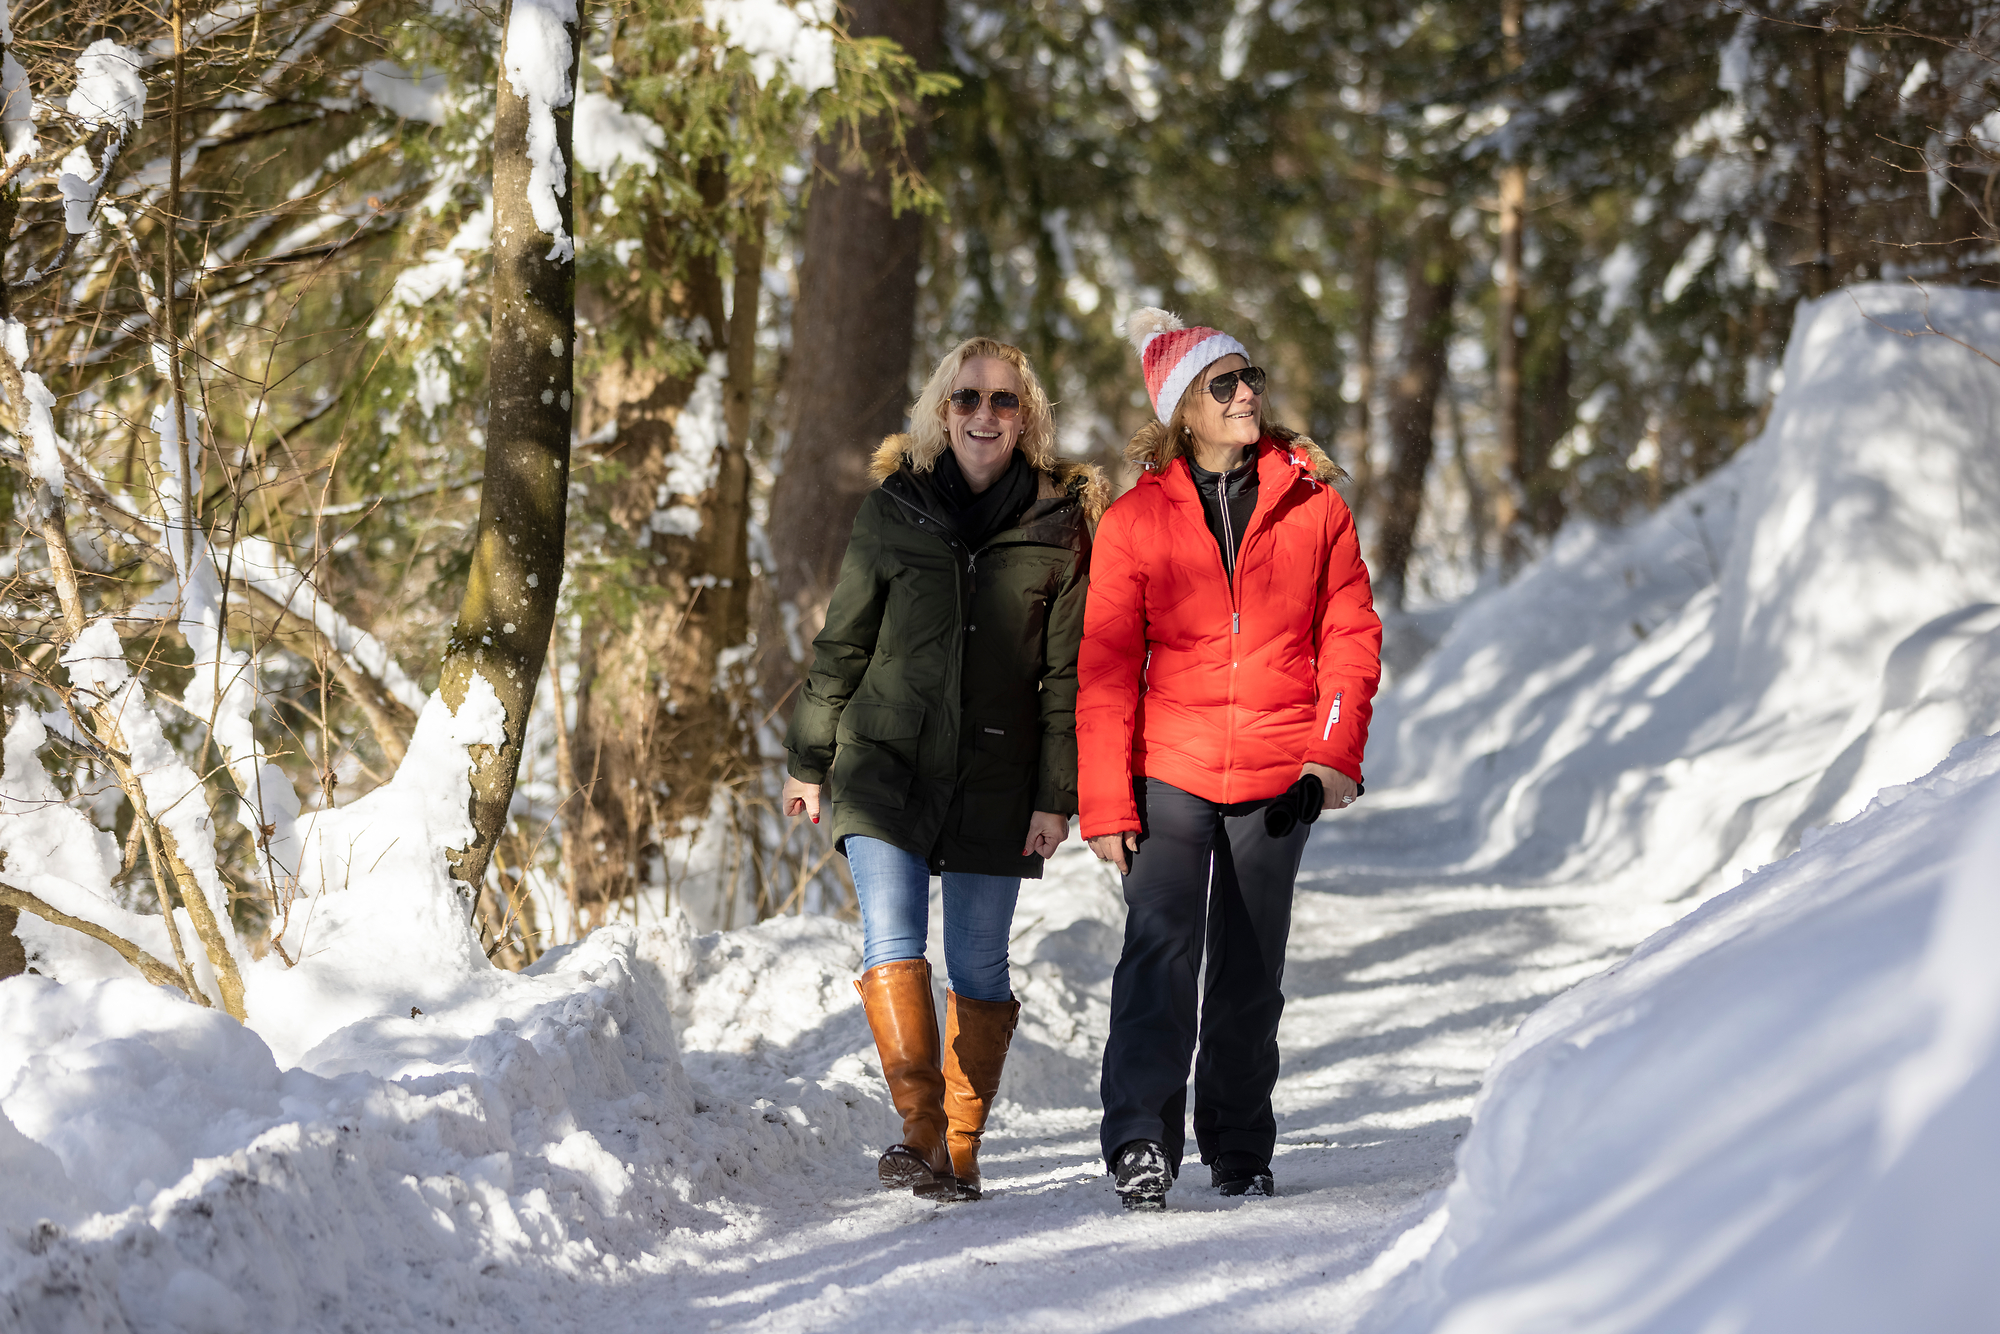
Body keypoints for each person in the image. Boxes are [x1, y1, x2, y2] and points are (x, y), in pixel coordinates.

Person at [782, 337, 1105, 1201]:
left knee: (978, 964)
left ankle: (961, 1144)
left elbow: (1067, 675)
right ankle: (920, 1131)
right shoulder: (895, 508)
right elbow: (844, 640)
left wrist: (1054, 795)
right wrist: (809, 759)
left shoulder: (1060, 524)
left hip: (998, 777)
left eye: (1004, 401)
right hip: (885, 763)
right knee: (892, 942)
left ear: (1026, 418)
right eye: (967, 398)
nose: (984, 415)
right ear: (941, 411)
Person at [1077, 308, 1383, 1211]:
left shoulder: (1315, 503)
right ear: (1184, 410)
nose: (1247, 393)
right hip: (1167, 768)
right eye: (1225, 383)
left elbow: (1351, 637)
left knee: (1251, 970)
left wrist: (1331, 756)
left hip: (1275, 775)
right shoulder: (1134, 522)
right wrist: (1106, 802)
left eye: (1250, 377)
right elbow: (1103, 668)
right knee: (1158, 955)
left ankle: (1240, 1146)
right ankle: (1139, 1138)